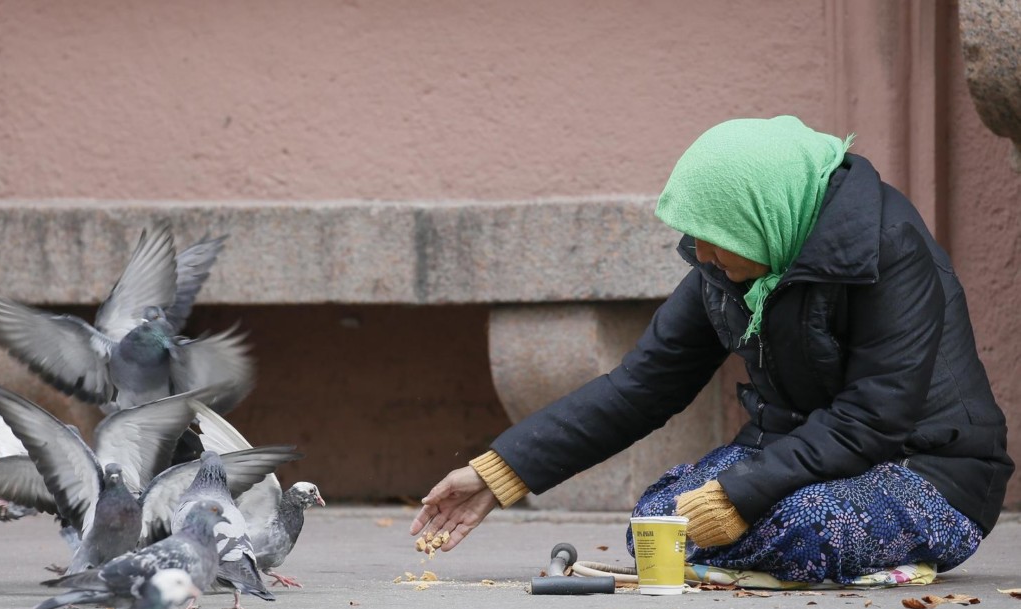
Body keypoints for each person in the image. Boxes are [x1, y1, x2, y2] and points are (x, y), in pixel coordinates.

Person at [410, 115, 1014, 585]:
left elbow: (874, 418)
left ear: (763, 216)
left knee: (799, 527)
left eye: (715, 234)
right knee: (658, 526)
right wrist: (500, 473)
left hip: (927, 472)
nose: (700, 253)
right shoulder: (729, 268)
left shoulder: (892, 251)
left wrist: (739, 493)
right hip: (802, 461)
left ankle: (852, 553)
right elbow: (642, 385)